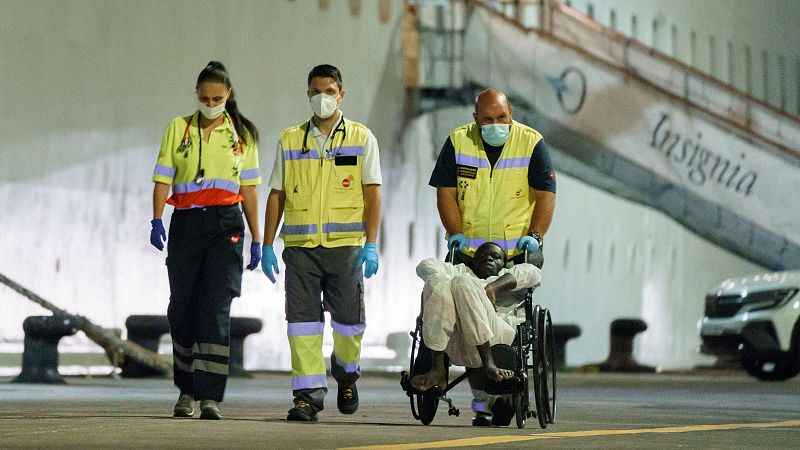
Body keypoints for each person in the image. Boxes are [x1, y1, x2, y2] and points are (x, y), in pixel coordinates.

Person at [261, 64, 382, 422]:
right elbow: (276, 194)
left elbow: (372, 194)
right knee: (302, 326)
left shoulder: (361, 138)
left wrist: (371, 244)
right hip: (300, 249)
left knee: (348, 325)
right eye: (316, 91)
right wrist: (266, 245)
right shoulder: (290, 140)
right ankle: (307, 396)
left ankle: (346, 375)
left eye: (329, 91)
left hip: (345, 248)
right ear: (308, 94)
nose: (322, 97)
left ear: (341, 94)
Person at [428, 88, 556, 425]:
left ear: (510, 113)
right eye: (488, 120)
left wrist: (536, 237)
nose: (495, 124)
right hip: (469, 253)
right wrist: (454, 231)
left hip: (514, 254)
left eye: (501, 118)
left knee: (499, 320)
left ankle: (494, 398)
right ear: (476, 119)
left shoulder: (531, 144)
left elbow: (545, 196)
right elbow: (446, 193)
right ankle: (482, 397)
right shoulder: (459, 143)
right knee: (457, 301)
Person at [150, 61, 262, 420]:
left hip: (225, 226)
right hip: (185, 222)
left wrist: (258, 238)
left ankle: (210, 396)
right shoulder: (178, 129)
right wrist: (156, 219)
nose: (210, 102)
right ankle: (186, 390)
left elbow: (248, 189)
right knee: (182, 308)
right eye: (204, 97)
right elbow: (163, 178)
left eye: (217, 97)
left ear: (228, 95)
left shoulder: (243, 134)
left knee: (216, 310)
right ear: (196, 95)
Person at [409, 241, 541, 391]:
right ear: (473, 262)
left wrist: (493, 287)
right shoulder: (460, 270)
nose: (488, 259)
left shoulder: (505, 276)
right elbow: (425, 265)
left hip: (495, 343)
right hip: (454, 342)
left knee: (463, 281)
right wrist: (444, 285)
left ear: (504, 263)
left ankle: (489, 363)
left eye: (495, 256)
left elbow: (533, 273)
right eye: (482, 256)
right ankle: (437, 369)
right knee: (438, 280)